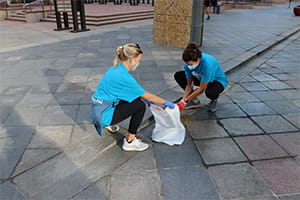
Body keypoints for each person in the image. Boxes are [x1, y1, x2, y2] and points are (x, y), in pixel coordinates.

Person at [89, 43, 175, 152]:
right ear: (131, 59)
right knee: (139, 106)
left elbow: (131, 93)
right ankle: (130, 141)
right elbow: (147, 95)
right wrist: (165, 102)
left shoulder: (114, 68)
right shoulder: (125, 77)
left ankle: (108, 124)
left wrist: (144, 97)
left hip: (97, 109)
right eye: (138, 60)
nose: (138, 63)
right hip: (103, 115)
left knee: (135, 99)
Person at [174, 43, 228, 112]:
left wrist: (185, 101)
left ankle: (214, 99)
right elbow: (189, 84)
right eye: (187, 64)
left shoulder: (207, 65)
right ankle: (195, 102)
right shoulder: (187, 65)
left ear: (198, 59)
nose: (189, 66)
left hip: (217, 81)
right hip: (201, 78)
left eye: (191, 64)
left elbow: (201, 89)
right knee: (179, 76)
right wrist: (183, 100)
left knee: (210, 93)